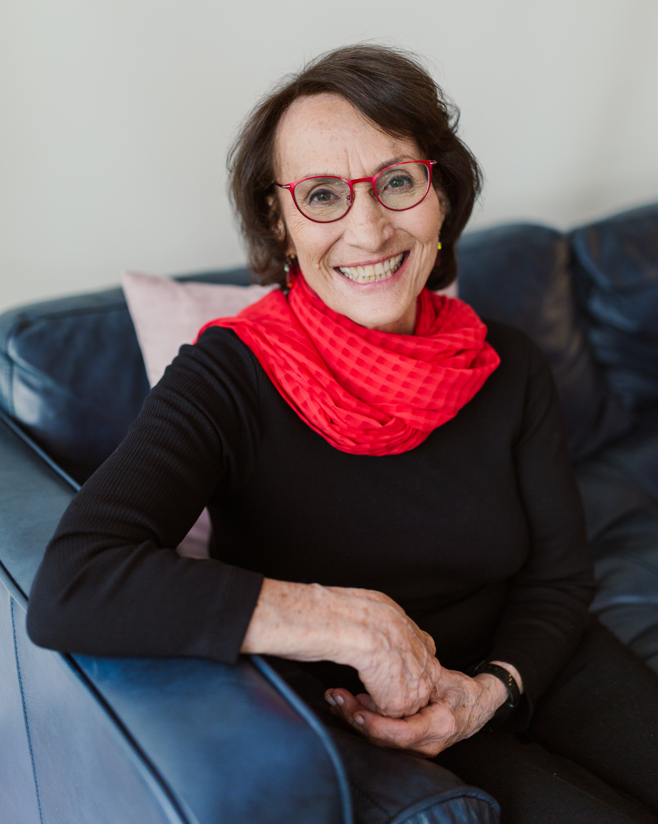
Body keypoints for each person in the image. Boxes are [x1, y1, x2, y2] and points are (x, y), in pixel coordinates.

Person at [27, 45, 658, 823]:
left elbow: (560, 580)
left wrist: (491, 688)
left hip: (535, 666)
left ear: (439, 194)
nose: (368, 230)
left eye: (396, 181)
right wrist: (353, 622)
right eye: (323, 194)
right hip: (375, 717)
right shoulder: (228, 377)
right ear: (279, 221)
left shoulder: (507, 362)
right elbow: (73, 583)